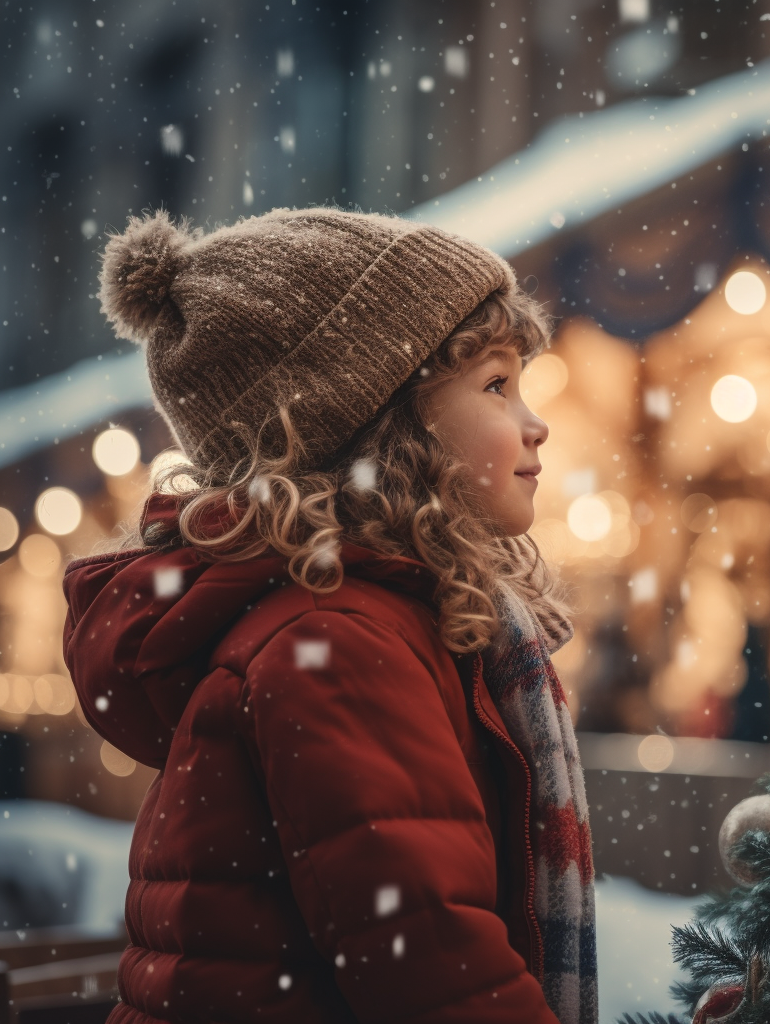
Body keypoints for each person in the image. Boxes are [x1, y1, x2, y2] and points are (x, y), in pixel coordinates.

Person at [62, 208, 596, 1024]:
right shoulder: (338, 639)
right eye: (495, 384)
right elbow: (435, 968)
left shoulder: (368, 618)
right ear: (383, 424)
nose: (535, 422)